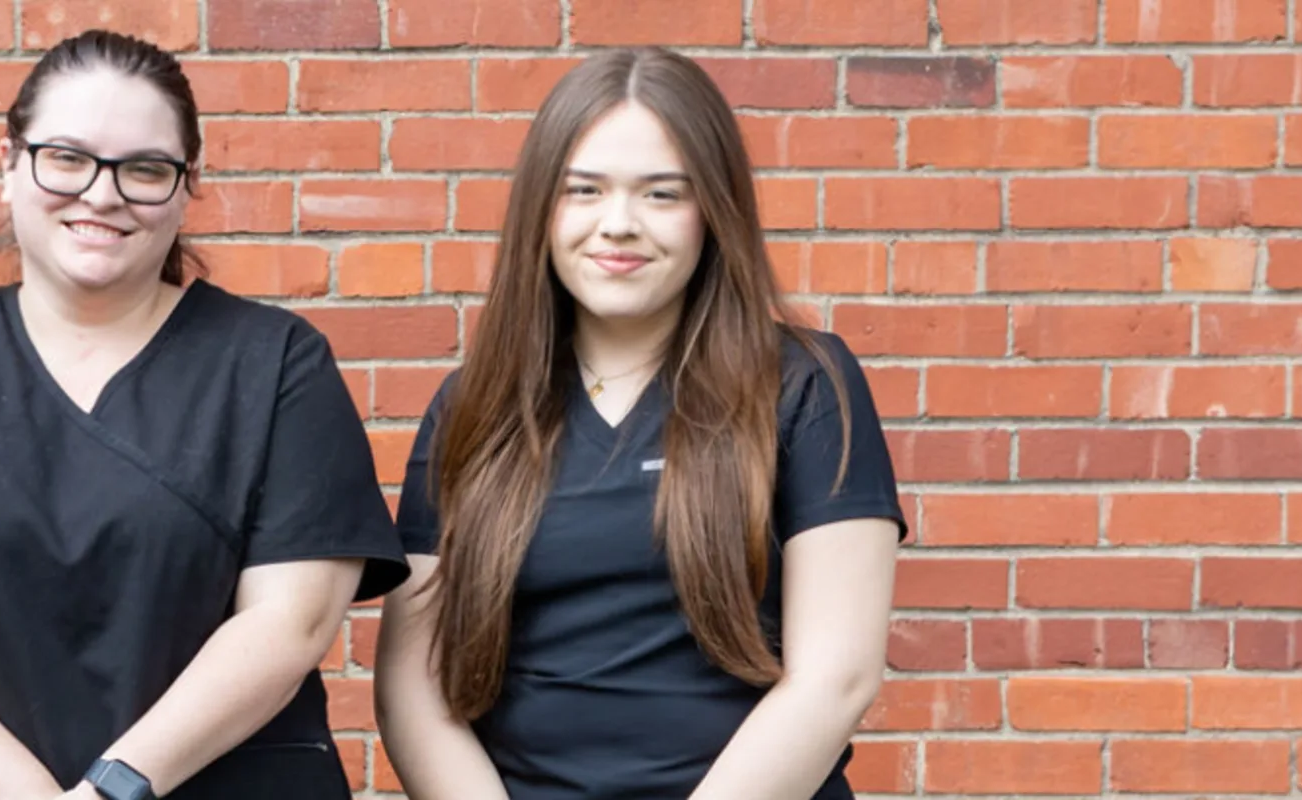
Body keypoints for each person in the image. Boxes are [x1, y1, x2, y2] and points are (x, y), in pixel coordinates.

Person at [0, 29, 410, 800]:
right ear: (9, 165)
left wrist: (117, 787)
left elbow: (291, 624)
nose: (102, 195)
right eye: (67, 158)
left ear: (186, 187)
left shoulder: (278, 366)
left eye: (144, 169)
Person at [372, 47, 906, 799]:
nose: (617, 225)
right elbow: (413, 691)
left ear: (714, 210)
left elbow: (838, 676)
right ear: (541, 209)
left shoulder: (803, 385)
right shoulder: (474, 409)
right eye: (583, 190)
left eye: (661, 195)